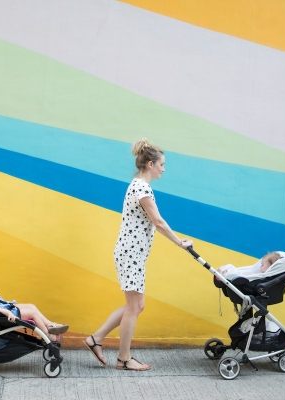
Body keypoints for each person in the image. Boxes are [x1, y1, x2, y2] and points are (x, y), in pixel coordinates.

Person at [83, 138, 193, 371]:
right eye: (162, 164)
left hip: (132, 254)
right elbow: (159, 222)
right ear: (151, 164)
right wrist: (179, 242)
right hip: (130, 254)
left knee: (136, 306)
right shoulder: (142, 188)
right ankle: (124, 358)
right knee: (134, 308)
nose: (164, 168)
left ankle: (96, 339)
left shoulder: (138, 185)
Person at [0, 259, 69, 342]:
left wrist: (8, 305)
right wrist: (8, 312)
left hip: (7, 308)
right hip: (5, 315)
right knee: (33, 313)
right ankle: (48, 336)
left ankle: (49, 324)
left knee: (31, 306)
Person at [217, 251, 281, 278]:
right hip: (244, 278)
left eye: (262, 265)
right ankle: (226, 271)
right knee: (231, 266)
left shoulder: (262, 277)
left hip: (242, 280)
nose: (260, 266)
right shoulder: (261, 275)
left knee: (236, 273)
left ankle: (225, 273)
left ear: (270, 268)